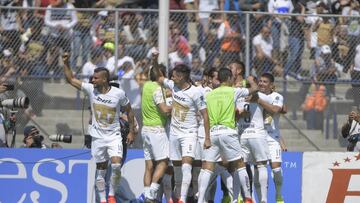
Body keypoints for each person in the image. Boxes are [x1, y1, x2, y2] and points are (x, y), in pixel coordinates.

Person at [62, 53, 136, 203]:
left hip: (114, 135)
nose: (92, 80)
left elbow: (129, 110)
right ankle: (102, 199)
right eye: (92, 78)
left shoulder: (118, 93)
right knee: (101, 171)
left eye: (96, 78)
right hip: (98, 137)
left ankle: (111, 196)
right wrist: (66, 63)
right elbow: (70, 79)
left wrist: (132, 131)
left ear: (104, 79)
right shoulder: (90, 90)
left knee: (116, 165)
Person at [153, 53, 211, 203]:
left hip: (189, 134)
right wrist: (154, 60)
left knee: (186, 166)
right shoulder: (173, 86)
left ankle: (183, 199)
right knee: (177, 169)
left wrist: (207, 137)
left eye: (174, 76)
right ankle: (179, 196)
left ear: (182, 77)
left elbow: (205, 115)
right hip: (174, 134)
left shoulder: (196, 93)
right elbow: (159, 77)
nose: (171, 79)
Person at [197, 68, 258, 203]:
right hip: (228, 131)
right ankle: (248, 197)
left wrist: (206, 137)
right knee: (239, 164)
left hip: (212, 132)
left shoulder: (210, 94)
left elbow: (205, 116)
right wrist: (250, 81)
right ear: (230, 78)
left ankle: (200, 200)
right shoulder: (233, 91)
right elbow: (254, 89)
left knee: (208, 167)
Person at [141, 58, 172, 202]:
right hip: (156, 130)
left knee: (149, 165)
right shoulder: (157, 89)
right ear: (161, 75)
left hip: (145, 129)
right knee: (163, 162)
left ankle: (146, 194)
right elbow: (164, 109)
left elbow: (163, 95)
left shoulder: (146, 86)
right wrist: (179, 107)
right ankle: (152, 193)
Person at [258, 73, 287, 203]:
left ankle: (279, 195)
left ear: (271, 85)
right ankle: (262, 199)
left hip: (272, 138)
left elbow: (276, 109)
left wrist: (259, 101)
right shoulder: (255, 95)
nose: (261, 84)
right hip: (258, 138)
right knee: (260, 170)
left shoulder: (276, 96)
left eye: (265, 82)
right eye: (260, 81)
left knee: (276, 169)